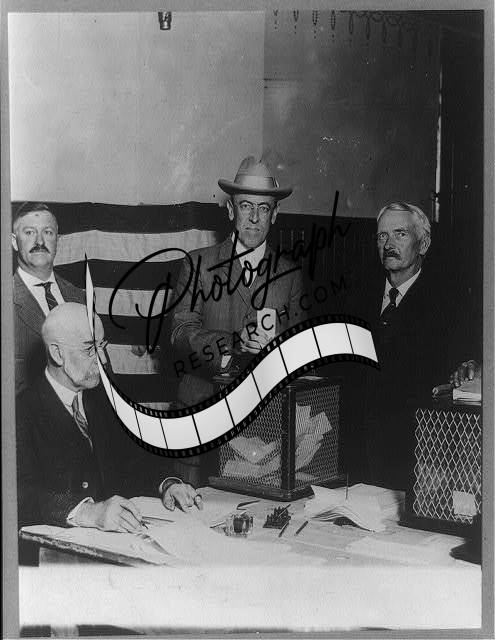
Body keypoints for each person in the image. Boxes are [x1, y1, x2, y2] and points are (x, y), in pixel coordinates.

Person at [16, 303, 201, 548]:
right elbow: (19, 495)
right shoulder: (20, 412)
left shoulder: (103, 397)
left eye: (102, 345)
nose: (102, 359)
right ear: (57, 354)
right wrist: (89, 513)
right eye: (90, 349)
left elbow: (135, 460)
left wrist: (168, 484)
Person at [170, 156, 305, 483]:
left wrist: (278, 351)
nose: (254, 218)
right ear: (231, 210)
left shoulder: (289, 274)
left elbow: (298, 352)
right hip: (201, 421)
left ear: (275, 214)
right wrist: (234, 342)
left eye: (263, 208)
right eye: (246, 206)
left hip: (262, 429)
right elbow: (180, 333)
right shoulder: (197, 264)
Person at [353, 202, 454, 490]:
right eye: (382, 236)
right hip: (357, 463)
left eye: (400, 234)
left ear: (423, 244)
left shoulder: (446, 306)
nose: (389, 244)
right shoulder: (357, 294)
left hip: (416, 465)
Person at [12, 202, 85, 394]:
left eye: (48, 232)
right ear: (14, 241)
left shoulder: (80, 298)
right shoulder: (6, 301)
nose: (39, 241)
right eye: (29, 232)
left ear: (57, 240)